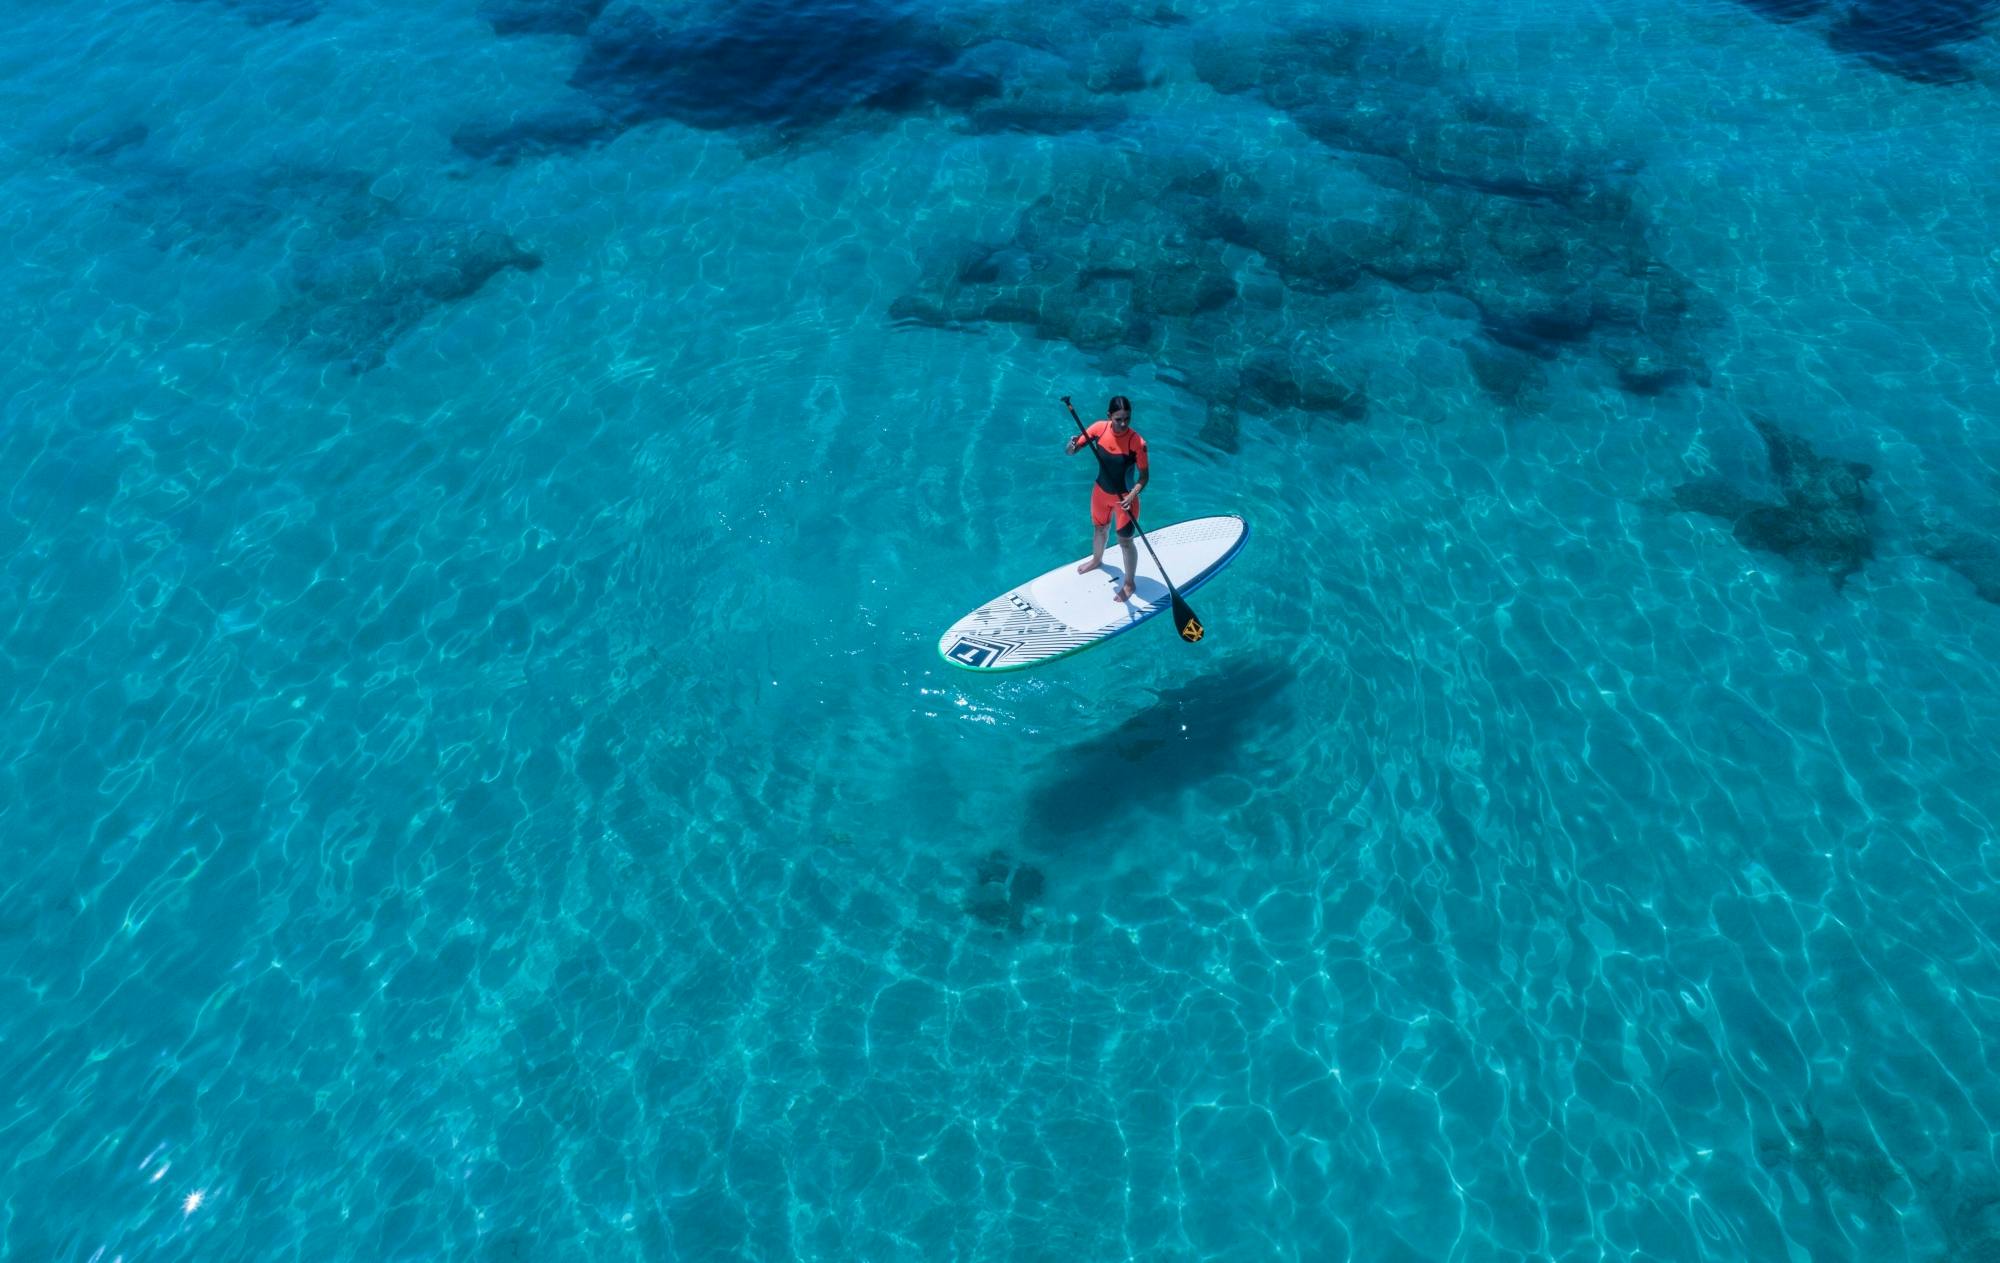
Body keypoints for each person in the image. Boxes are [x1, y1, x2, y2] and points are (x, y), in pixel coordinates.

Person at [1065, 394, 1148, 602]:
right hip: (1100, 493)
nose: (1123, 423)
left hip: (1125, 500)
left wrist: (1132, 495)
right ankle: (1096, 560)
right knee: (1099, 529)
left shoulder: (1137, 442)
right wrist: (1071, 445)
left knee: (1125, 542)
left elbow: (1144, 477)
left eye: (1127, 419)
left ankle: (1129, 583)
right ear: (1109, 415)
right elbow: (1071, 452)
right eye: (1118, 419)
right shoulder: (1099, 429)